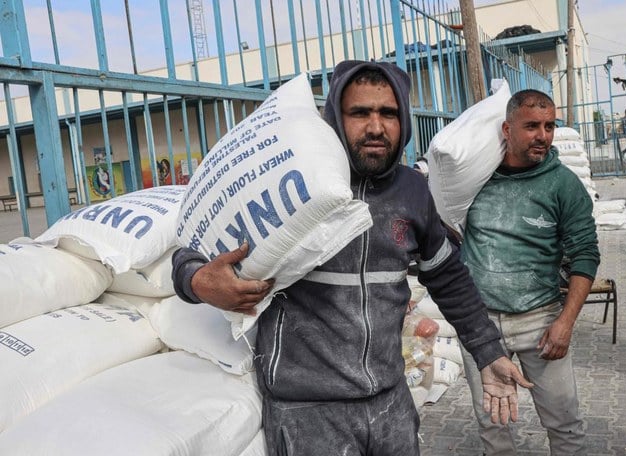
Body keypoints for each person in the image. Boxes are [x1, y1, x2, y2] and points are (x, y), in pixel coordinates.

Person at [172, 60, 533, 456]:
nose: (376, 127)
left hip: (390, 401)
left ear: (404, 120)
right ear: (336, 118)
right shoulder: (301, 179)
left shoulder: (413, 191)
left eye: (388, 113)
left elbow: (447, 275)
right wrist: (196, 281)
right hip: (308, 411)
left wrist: (488, 351)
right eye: (360, 113)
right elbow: (195, 250)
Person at [459, 89, 600, 455]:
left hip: (541, 323)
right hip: (481, 327)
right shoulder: (474, 178)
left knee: (564, 424)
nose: (543, 135)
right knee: (494, 426)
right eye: (532, 126)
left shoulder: (563, 185)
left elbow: (586, 255)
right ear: (507, 128)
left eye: (550, 126)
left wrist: (565, 323)